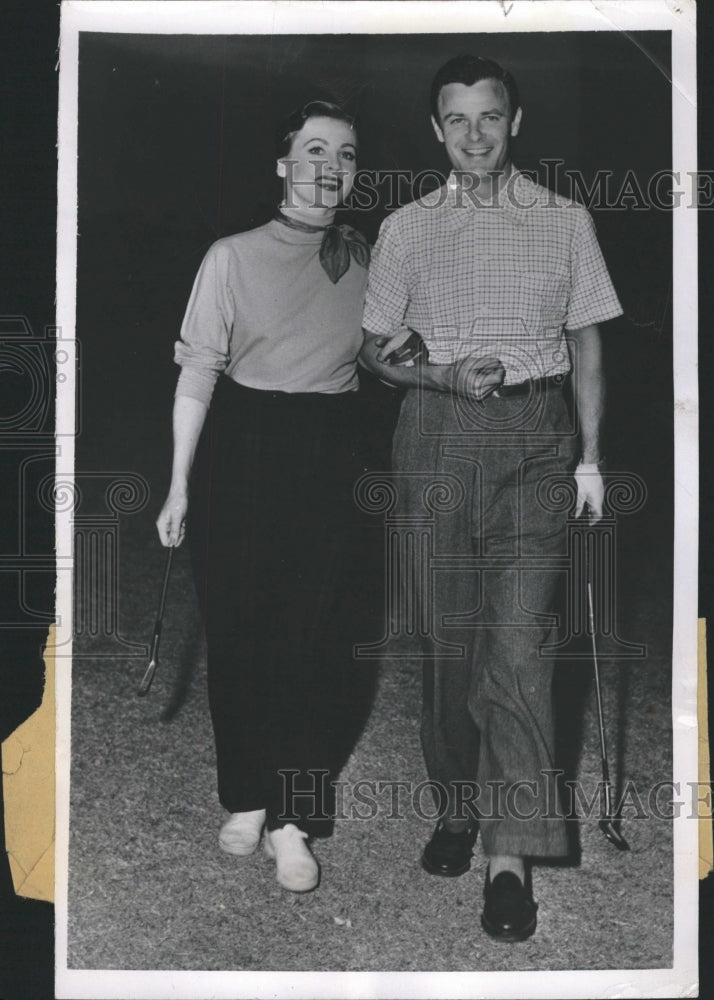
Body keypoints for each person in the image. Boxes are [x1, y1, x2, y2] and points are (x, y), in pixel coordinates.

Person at [359, 55, 622, 940]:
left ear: (516, 122)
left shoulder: (565, 220)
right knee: (450, 645)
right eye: (457, 119)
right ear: (436, 130)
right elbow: (374, 356)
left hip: (538, 439)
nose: (475, 134)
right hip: (434, 435)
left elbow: (587, 346)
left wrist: (590, 458)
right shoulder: (404, 228)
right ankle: (456, 808)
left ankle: (510, 855)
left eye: (491, 117)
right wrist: (437, 371)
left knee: (519, 645)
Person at [156, 101, 369, 893]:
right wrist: (178, 483)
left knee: (315, 644)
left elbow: (397, 355)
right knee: (240, 632)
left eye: (345, 154)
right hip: (241, 451)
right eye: (314, 149)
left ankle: (296, 817)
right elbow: (197, 373)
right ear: (283, 166)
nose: (330, 166)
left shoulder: (368, 258)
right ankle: (245, 796)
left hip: (333, 452)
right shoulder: (230, 257)